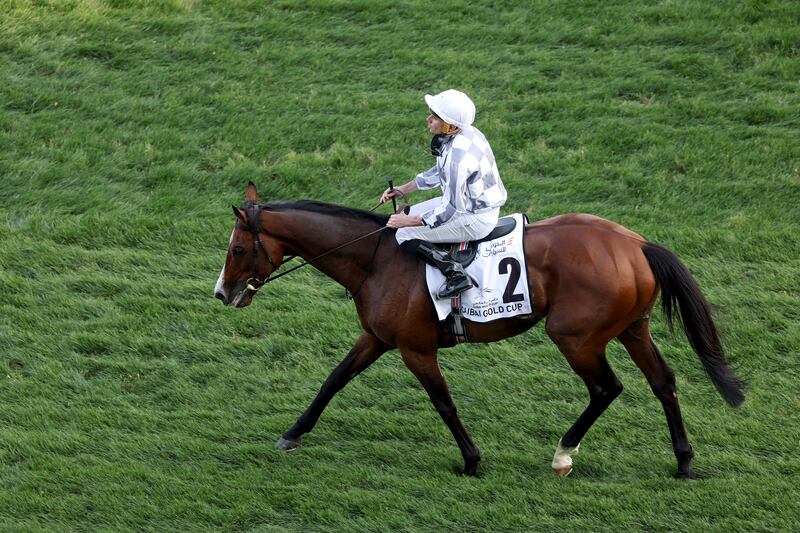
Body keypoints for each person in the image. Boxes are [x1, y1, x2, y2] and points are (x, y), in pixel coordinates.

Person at [380, 89, 507, 298]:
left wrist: (409, 222)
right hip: (468, 204)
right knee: (406, 217)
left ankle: (455, 275)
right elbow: (440, 172)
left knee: (403, 233)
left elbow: (451, 209)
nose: (428, 119)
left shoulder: (458, 158)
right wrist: (404, 188)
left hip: (473, 218)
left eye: (436, 117)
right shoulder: (468, 132)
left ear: (452, 126)